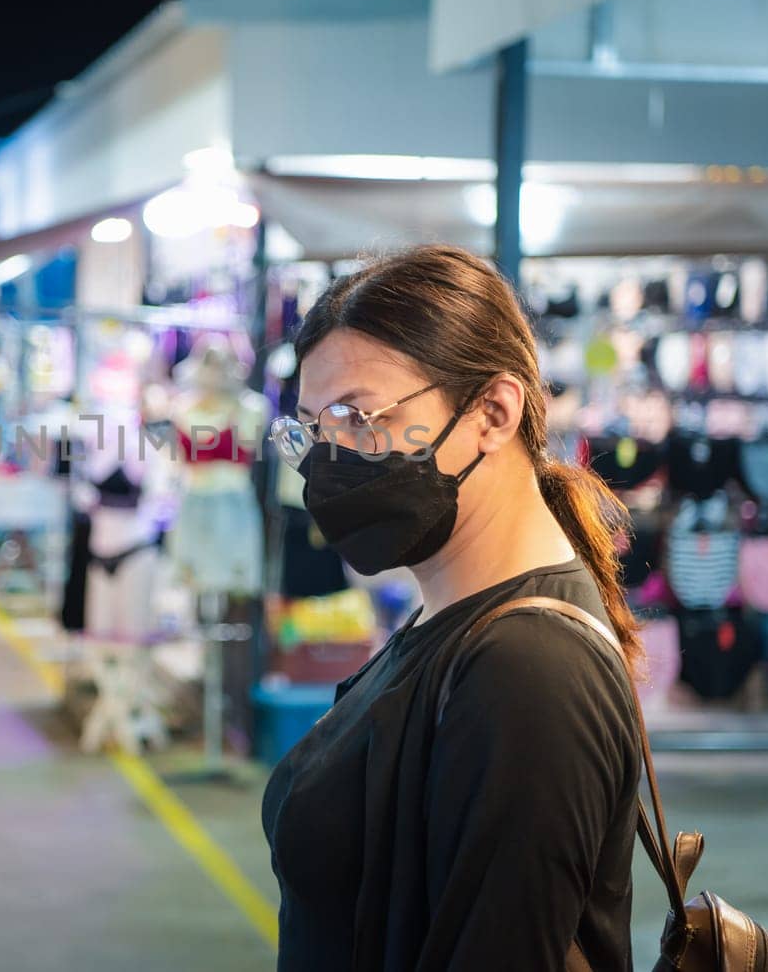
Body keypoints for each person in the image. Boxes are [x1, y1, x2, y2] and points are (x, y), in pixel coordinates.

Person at [261, 245, 642, 970]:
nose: (328, 459)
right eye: (312, 428)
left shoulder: (530, 671)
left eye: (357, 416)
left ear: (494, 412)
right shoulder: (449, 615)